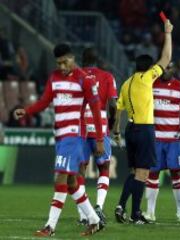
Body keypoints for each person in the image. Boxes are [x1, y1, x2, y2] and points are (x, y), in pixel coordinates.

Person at [13, 43, 105, 236]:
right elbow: (44, 102)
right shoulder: (54, 77)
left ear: (73, 58)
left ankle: (50, 226)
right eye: (59, 63)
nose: (62, 67)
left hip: (75, 135)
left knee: (60, 178)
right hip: (61, 135)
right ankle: (95, 220)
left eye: (65, 62)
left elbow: (96, 111)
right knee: (71, 183)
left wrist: (99, 139)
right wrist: (27, 111)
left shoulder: (85, 80)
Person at [113, 19, 173, 224]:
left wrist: (116, 132)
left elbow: (117, 109)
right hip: (145, 129)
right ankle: (133, 212)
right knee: (143, 172)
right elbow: (166, 57)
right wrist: (168, 33)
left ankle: (124, 207)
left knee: (135, 172)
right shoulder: (147, 78)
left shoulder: (126, 83)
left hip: (130, 129)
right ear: (149, 68)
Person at [75, 47, 118, 226]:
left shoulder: (75, 76)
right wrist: (111, 121)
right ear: (97, 60)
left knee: (80, 170)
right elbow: (113, 104)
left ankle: (83, 214)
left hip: (80, 127)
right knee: (104, 168)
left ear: (82, 59)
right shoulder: (107, 77)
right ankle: (98, 206)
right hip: (100, 126)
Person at [143, 62, 180, 223]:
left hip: (174, 139)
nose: (165, 71)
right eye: (163, 68)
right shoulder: (151, 84)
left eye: (169, 68)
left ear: (174, 69)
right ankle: (150, 212)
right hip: (156, 139)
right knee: (152, 174)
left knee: (177, 174)